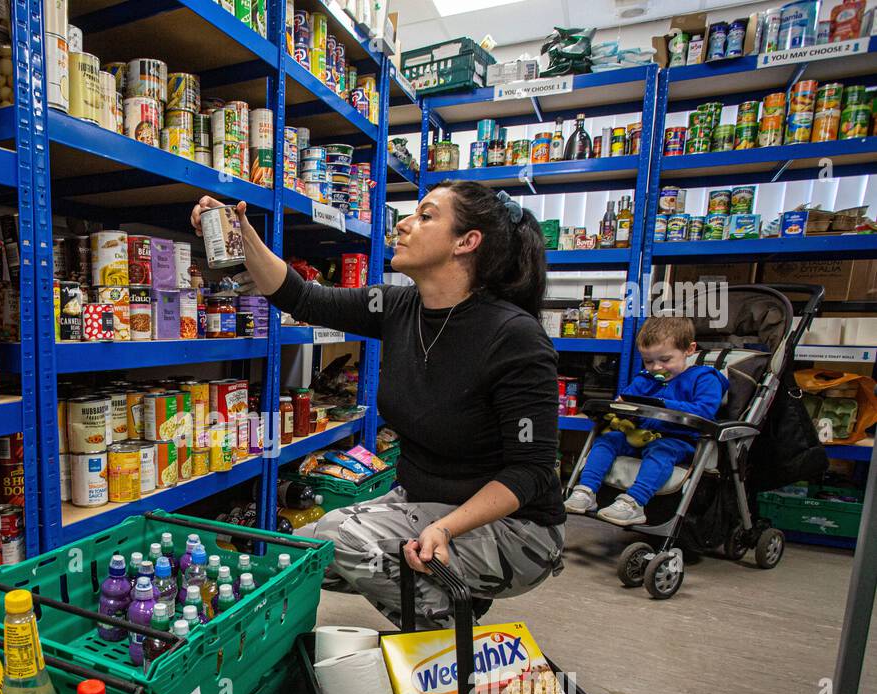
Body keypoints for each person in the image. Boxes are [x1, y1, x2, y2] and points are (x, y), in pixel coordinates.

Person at [190, 182, 565, 627]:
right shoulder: (398, 306)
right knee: (297, 555)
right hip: (424, 504)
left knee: (344, 539)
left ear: (467, 242)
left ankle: (449, 652)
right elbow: (300, 296)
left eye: (426, 216)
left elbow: (532, 469)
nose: (404, 224)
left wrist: (446, 528)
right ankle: (447, 598)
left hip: (517, 531)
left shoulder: (514, 337)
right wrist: (242, 232)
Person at [565, 313, 728, 525]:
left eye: (665, 360)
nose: (656, 367)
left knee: (662, 451)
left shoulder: (705, 378)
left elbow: (704, 410)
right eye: (648, 361)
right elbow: (627, 401)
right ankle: (586, 491)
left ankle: (634, 503)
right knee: (608, 440)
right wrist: (620, 406)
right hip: (639, 436)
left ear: (689, 349)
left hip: (679, 439)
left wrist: (662, 405)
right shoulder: (646, 378)